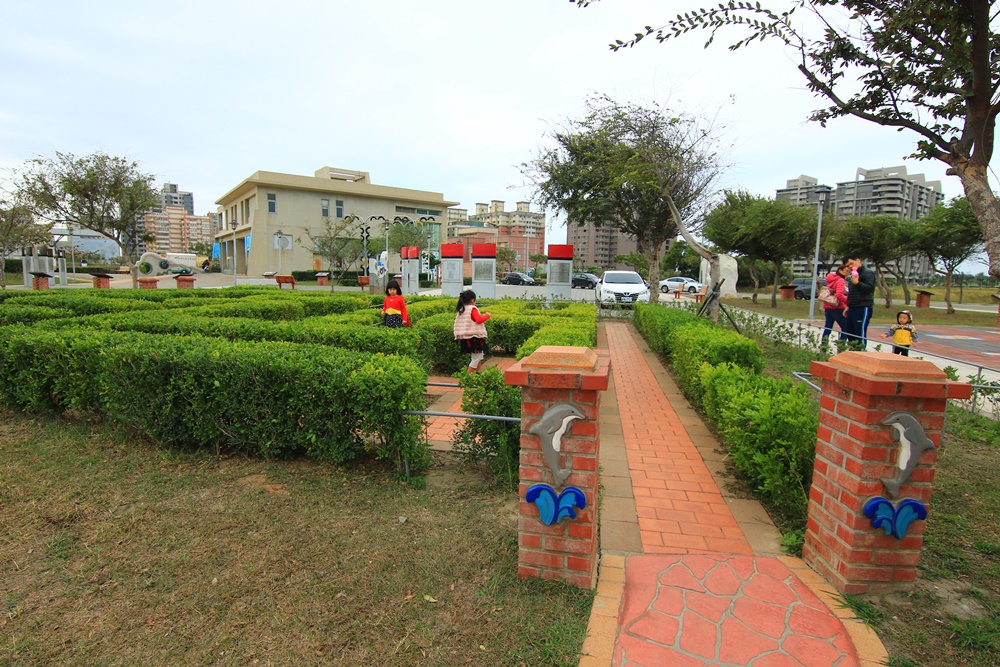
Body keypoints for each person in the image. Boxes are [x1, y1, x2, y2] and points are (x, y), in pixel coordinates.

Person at [843, 254, 876, 348]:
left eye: (851, 263)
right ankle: (853, 353)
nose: (850, 266)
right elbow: (852, 292)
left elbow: (869, 288)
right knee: (850, 331)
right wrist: (848, 306)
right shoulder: (853, 275)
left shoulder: (867, 273)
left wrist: (857, 283)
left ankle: (861, 352)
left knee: (859, 333)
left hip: (863, 306)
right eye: (847, 265)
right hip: (853, 306)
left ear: (858, 260)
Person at [453, 289, 490, 372]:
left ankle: (477, 375)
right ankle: (468, 378)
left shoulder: (462, 309)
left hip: (466, 336)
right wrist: (487, 315)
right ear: (473, 300)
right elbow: (478, 319)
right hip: (473, 337)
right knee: (477, 358)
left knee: (479, 356)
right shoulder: (472, 309)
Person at [821, 263, 851, 344]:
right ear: (840, 270)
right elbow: (839, 295)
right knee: (846, 328)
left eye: (849, 271)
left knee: (828, 327)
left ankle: (823, 346)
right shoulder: (841, 280)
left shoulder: (832, 279)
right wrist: (849, 300)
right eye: (846, 271)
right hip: (837, 307)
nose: (848, 273)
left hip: (828, 306)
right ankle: (841, 346)